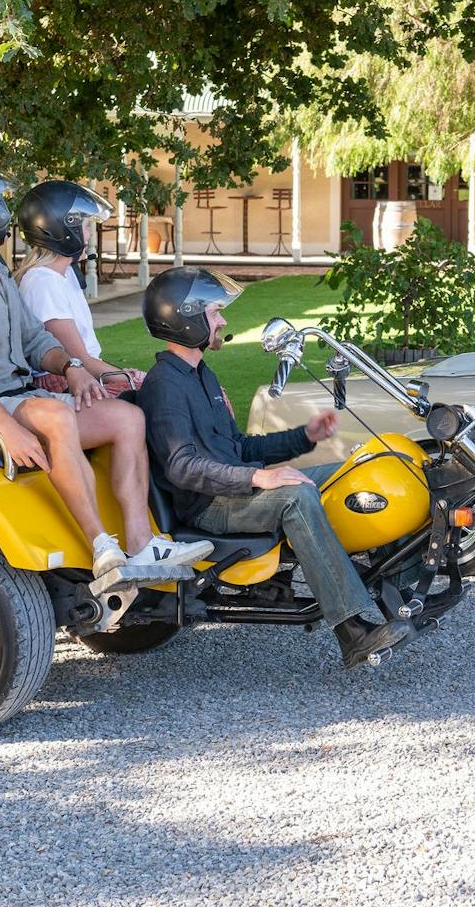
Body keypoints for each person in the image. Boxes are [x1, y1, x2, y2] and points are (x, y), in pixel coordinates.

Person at [0, 162, 211, 580]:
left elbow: (36, 341)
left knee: (128, 418)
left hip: (20, 400)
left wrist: (72, 368)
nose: (4, 204)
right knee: (55, 416)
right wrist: (8, 430)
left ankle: (142, 545)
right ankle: (101, 546)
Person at [137, 267, 416, 669]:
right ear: (187, 319)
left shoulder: (201, 376)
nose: (223, 321)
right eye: (215, 313)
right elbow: (182, 467)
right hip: (210, 504)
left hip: (234, 487)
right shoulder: (164, 384)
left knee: (358, 470)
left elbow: (238, 446)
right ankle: (352, 632)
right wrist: (257, 476)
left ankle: (401, 595)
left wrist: (304, 436)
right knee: (296, 498)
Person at [14, 180, 146, 394]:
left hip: (87, 372)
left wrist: (123, 374)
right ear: (64, 230)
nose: (90, 234)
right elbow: (78, 359)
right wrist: (128, 378)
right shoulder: (43, 283)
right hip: (64, 382)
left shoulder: (65, 273)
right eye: (85, 226)